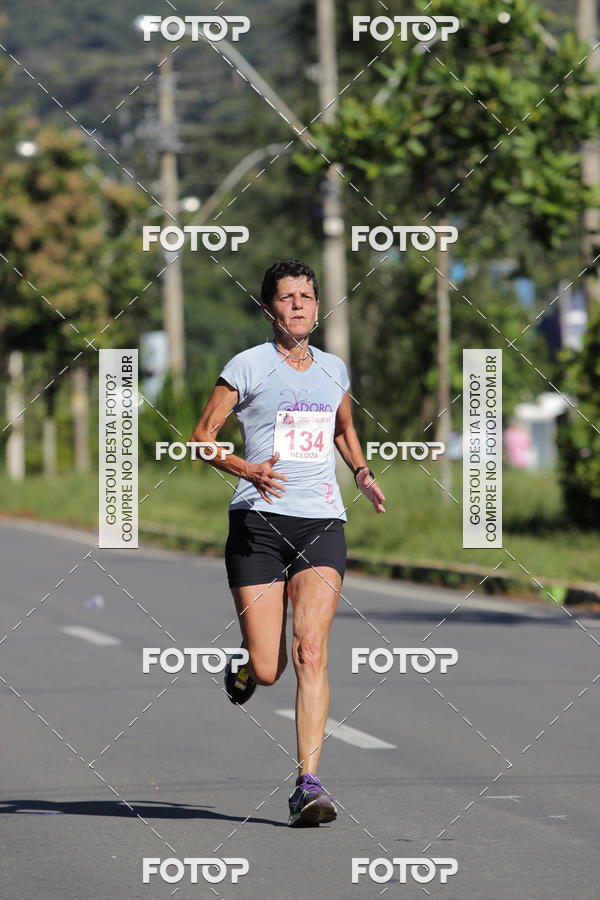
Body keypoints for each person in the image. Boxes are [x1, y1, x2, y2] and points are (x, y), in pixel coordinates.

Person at [189, 258, 386, 827]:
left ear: (317, 307)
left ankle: (308, 784)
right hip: (258, 524)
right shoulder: (246, 367)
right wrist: (247, 470)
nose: (298, 305)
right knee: (271, 666)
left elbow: (345, 429)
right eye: (286, 296)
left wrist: (363, 473)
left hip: (321, 521)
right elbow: (203, 437)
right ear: (268, 307)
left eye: (306, 296)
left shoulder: (333, 370)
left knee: (311, 652)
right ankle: (249, 668)